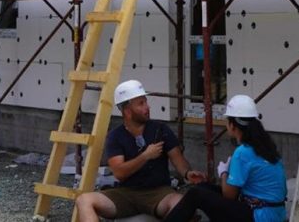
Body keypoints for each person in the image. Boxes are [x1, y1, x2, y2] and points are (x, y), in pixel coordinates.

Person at [75, 80, 205, 222]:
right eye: (141, 104)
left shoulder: (161, 130)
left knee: (181, 203)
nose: (147, 107)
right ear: (127, 110)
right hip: (126, 194)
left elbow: (178, 159)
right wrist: (145, 156)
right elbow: (120, 173)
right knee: (84, 200)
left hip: (159, 192)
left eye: (146, 102)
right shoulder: (115, 136)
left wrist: (187, 173)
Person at [162, 94, 288, 222]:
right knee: (202, 188)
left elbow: (229, 195)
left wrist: (224, 172)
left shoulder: (242, 152)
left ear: (232, 125)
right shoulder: (265, 146)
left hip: (259, 216)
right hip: (274, 212)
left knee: (195, 194)